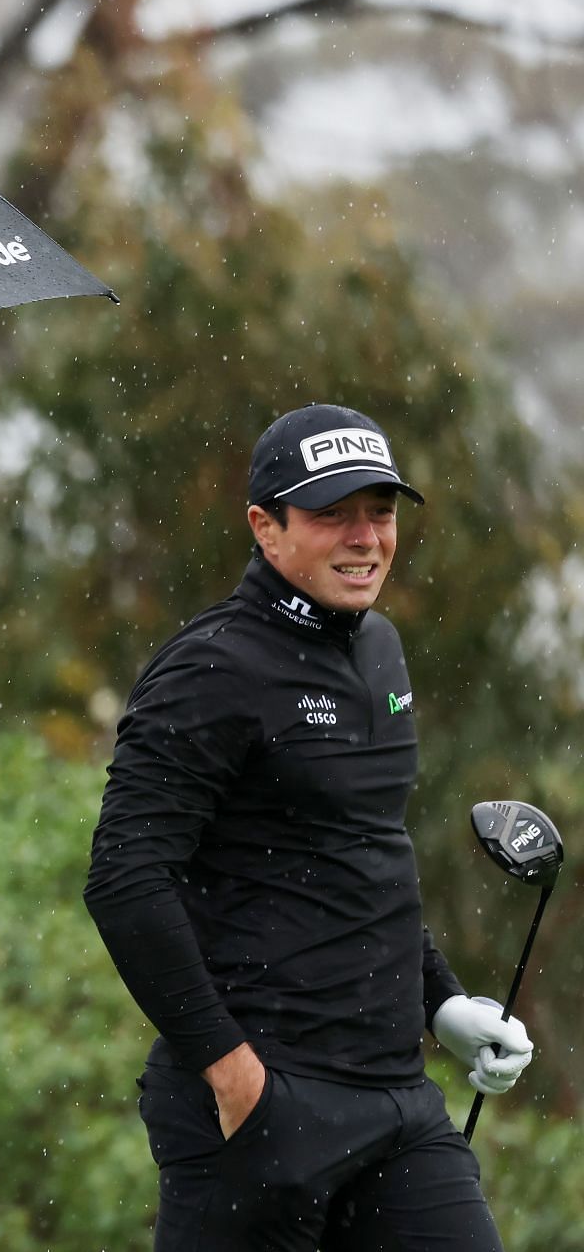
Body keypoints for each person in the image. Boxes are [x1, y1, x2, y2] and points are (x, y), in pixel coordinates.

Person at [85, 404, 536, 1250]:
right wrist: (232, 1071)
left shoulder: (381, 651)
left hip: (399, 1103)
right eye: (333, 513)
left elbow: (360, 853)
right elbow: (125, 877)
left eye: (381, 511)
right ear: (266, 526)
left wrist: (441, 1002)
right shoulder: (211, 667)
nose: (365, 537)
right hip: (262, 1108)